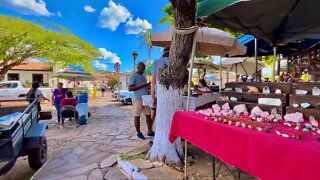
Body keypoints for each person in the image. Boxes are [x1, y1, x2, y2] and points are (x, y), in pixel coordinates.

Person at [128, 62, 153, 140]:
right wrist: (143, 85)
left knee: (148, 115)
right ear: (138, 68)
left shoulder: (143, 76)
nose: (143, 70)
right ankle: (139, 133)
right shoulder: (133, 76)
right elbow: (130, 88)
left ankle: (149, 131)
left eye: (144, 69)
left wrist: (149, 85)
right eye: (142, 69)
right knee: (137, 116)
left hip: (145, 99)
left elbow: (144, 87)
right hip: (137, 99)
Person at [151, 47, 170, 126]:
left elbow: (153, 82)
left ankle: (152, 129)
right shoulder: (175, 63)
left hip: (159, 93)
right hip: (172, 93)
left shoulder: (156, 62)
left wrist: (153, 96)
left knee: (159, 114)